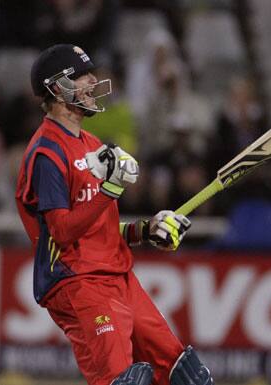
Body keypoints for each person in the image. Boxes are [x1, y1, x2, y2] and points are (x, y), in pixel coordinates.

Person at [15, 44, 214, 385]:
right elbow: (62, 233)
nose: (93, 80)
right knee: (122, 381)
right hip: (79, 282)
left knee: (184, 373)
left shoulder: (93, 144)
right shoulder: (47, 153)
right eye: (81, 76)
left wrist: (145, 230)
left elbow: (100, 226)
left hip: (118, 275)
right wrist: (111, 189)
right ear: (57, 88)